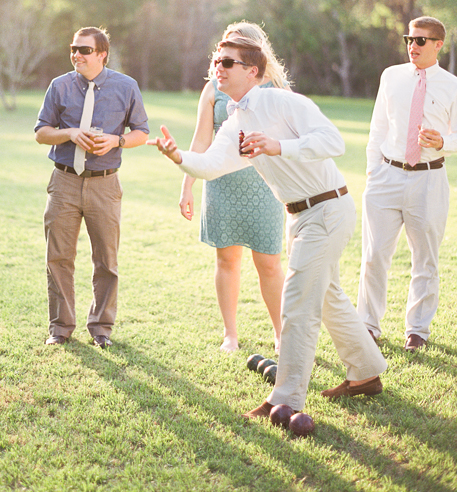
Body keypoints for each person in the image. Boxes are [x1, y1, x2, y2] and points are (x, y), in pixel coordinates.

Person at [149, 35, 387, 417]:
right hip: (298, 215)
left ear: (253, 71)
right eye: (215, 62)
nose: (218, 69)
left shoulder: (283, 101)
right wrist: (178, 157)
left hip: (327, 208)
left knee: (297, 305)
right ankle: (366, 372)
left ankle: (285, 399)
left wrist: (279, 146)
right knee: (327, 297)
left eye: (227, 63)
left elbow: (334, 141)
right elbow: (211, 165)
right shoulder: (235, 122)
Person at [35, 26, 149, 348]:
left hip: (105, 184)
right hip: (65, 182)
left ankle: (101, 329)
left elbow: (142, 131)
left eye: (84, 50)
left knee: (106, 261)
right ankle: (60, 329)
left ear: (102, 54)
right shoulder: (59, 86)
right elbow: (41, 132)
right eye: (73, 48)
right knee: (58, 257)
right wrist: (69, 134)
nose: (76, 55)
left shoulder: (126, 87)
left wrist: (118, 140)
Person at [179, 22, 287, 353]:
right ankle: (231, 334)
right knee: (226, 261)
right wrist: (187, 186)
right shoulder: (213, 89)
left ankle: (283, 335)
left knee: (268, 263)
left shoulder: (275, 89)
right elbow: (201, 140)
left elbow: (289, 141)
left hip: (264, 187)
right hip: (222, 184)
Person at [358, 16, 457, 351]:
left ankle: (417, 330)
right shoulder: (391, 76)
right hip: (386, 176)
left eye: (420, 41)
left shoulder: (451, 85)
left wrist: (442, 141)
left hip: (429, 180)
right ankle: (368, 325)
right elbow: (378, 128)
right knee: (373, 256)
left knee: (425, 259)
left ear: (438, 45)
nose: (412, 46)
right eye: (408, 40)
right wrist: (373, 171)